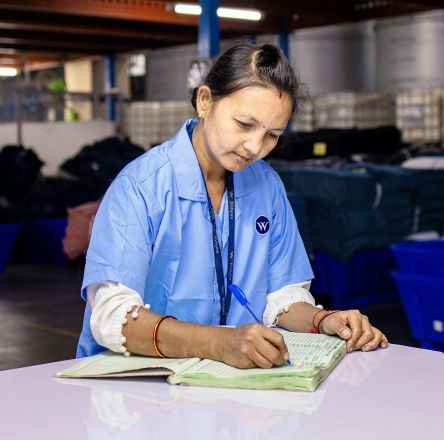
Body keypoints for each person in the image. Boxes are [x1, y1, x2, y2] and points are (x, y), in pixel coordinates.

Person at [77, 43, 389, 368]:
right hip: (135, 394)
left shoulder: (266, 186)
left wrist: (323, 321)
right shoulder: (140, 188)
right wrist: (220, 342)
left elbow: (281, 297)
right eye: (244, 124)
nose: (255, 147)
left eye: (272, 135)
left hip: (226, 383)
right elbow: (113, 318)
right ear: (205, 101)